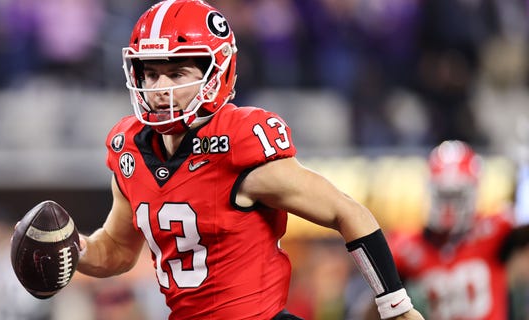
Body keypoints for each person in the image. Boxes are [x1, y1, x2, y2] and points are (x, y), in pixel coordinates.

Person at [75, 1, 424, 319]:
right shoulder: (130, 149)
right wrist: (73, 249)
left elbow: (346, 212)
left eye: (177, 73)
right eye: (150, 74)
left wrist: (395, 306)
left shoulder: (237, 141)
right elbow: (118, 250)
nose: (159, 88)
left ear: (214, 76)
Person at [384, 140, 529, 320]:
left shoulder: (494, 230)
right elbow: (374, 304)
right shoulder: (408, 247)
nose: (448, 206)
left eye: (456, 196)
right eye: (443, 195)